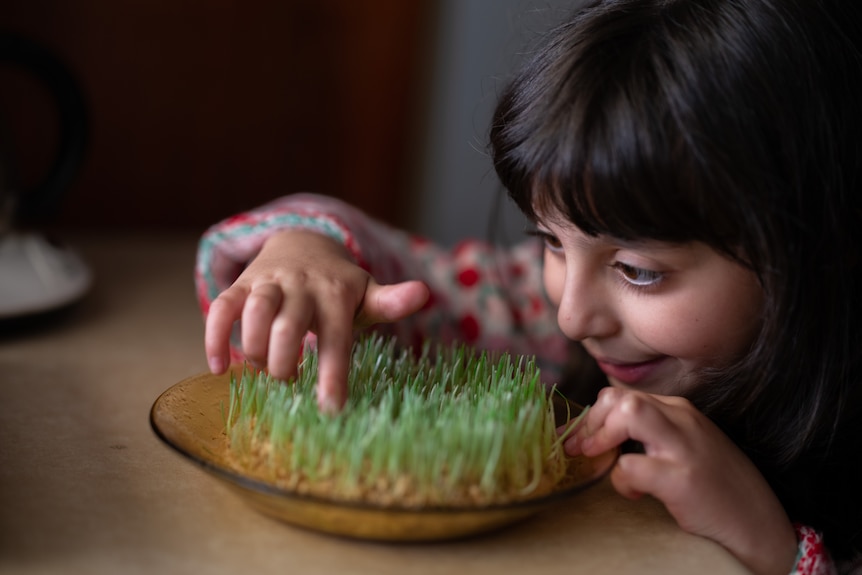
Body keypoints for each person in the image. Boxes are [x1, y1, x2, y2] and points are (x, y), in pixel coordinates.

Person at [194, 1, 862, 573]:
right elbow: (397, 279)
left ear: (807, 249)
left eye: (639, 269)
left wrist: (775, 548)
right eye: (550, 242)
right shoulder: (536, 312)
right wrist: (307, 250)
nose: (572, 314)